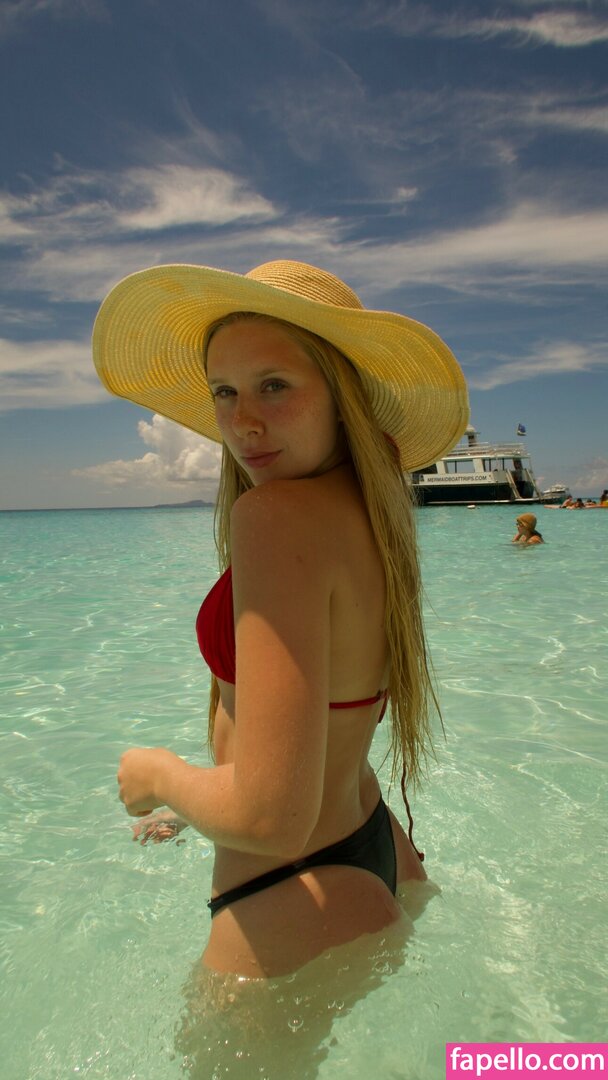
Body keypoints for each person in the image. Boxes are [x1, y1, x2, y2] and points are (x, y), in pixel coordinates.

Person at [92, 259, 469, 978]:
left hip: (285, 888)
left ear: (341, 395)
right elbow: (318, 734)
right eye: (224, 391)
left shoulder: (275, 518)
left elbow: (270, 818)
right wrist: (198, 805)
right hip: (375, 845)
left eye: (274, 385)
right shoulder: (372, 512)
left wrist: (160, 776)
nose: (243, 421)